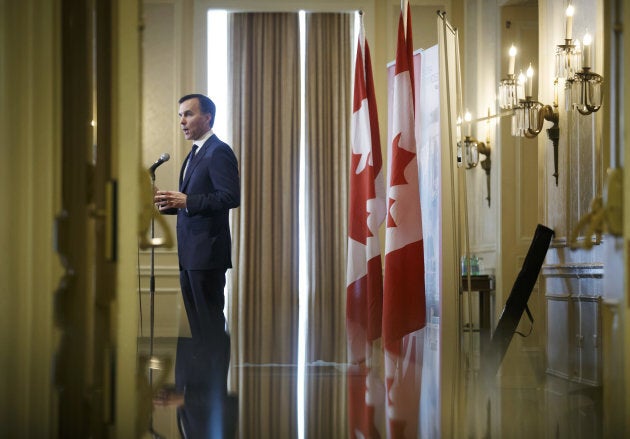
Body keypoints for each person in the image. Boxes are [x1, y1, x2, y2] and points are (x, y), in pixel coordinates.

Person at [154, 93, 240, 438]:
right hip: (190, 253)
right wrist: (169, 204)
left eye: (188, 114)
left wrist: (187, 200)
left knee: (208, 326)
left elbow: (230, 196)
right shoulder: (193, 154)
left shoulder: (219, 151)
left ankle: (211, 395)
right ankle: (198, 394)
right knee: (197, 328)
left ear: (207, 117)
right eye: (180, 116)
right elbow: (192, 203)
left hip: (207, 254)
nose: (182, 121)